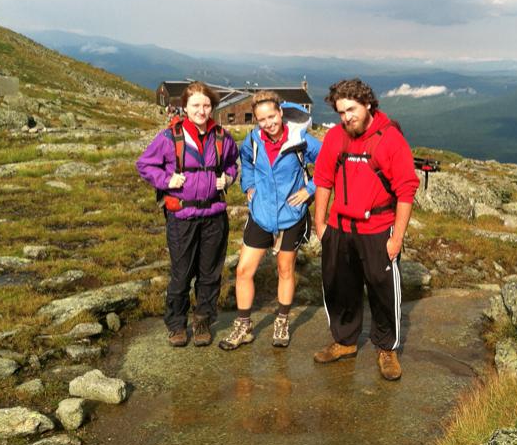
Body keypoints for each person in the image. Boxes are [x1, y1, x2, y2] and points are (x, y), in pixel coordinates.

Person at [312, 78, 420, 381]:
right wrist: (321, 224)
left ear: (368, 103)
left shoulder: (390, 139)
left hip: (378, 229)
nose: (346, 117)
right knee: (338, 286)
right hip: (339, 228)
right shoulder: (335, 137)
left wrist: (396, 238)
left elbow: (406, 190)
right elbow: (323, 179)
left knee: (382, 290)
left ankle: (386, 348)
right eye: (341, 112)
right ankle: (344, 341)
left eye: (351, 109)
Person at [136, 81, 239, 347]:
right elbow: (144, 164)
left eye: (206, 105)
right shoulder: (170, 137)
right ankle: (177, 325)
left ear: (212, 107)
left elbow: (231, 165)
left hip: (214, 215)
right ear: (185, 106)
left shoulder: (222, 137)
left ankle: (203, 322)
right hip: (181, 216)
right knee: (181, 273)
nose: (201, 111)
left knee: (209, 273)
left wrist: (227, 180)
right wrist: (167, 180)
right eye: (196, 105)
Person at [219, 91, 321, 350]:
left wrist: (309, 190)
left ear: (281, 113)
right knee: (243, 270)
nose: (268, 123)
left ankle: (282, 321)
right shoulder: (254, 140)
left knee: (285, 270)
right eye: (262, 119)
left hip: (290, 216)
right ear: (256, 119)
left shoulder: (301, 140)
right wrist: (249, 186)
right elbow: (248, 164)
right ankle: (244, 326)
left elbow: (327, 163)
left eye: (272, 116)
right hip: (261, 214)